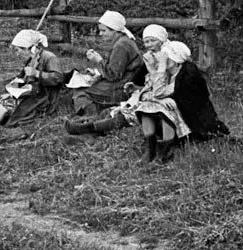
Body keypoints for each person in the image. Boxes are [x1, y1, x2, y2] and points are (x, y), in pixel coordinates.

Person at [65, 24, 229, 162]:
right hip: (160, 104)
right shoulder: (162, 64)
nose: (150, 45)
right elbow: (149, 88)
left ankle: (164, 152)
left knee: (146, 110)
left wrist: (155, 73)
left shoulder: (185, 71)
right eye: (146, 41)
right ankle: (93, 130)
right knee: (139, 108)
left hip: (188, 119)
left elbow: (169, 94)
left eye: (153, 41)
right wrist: (143, 89)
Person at [70, 10, 145, 117]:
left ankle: (90, 117)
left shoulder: (121, 46)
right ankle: (101, 112)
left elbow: (113, 75)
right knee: (90, 84)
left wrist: (98, 60)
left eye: (104, 31)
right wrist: (97, 73)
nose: (101, 34)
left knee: (80, 91)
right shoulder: (123, 41)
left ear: (114, 30)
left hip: (124, 88)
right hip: (127, 82)